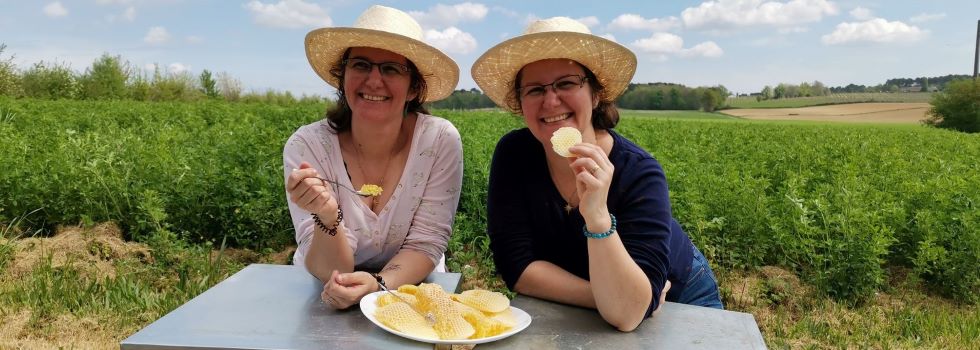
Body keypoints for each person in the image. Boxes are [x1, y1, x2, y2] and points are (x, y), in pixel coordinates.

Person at [472, 17, 723, 332]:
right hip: (600, 301)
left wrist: (598, 215)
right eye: (535, 89)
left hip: (681, 293)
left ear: (595, 94)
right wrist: (611, 299)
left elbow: (628, 317)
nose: (551, 101)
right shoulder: (514, 155)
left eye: (566, 83)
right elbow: (517, 267)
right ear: (520, 104)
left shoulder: (638, 171)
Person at [284, 5, 463, 310]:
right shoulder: (308, 146)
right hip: (323, 288)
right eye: (361, 65)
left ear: (414, 88)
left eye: (392, 68)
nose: (374, 80)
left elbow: (426, 241)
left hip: (411, 285)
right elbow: (329, 272)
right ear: (343, 77)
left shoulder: (438, 140)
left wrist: (380, 284)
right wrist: (327, 217)